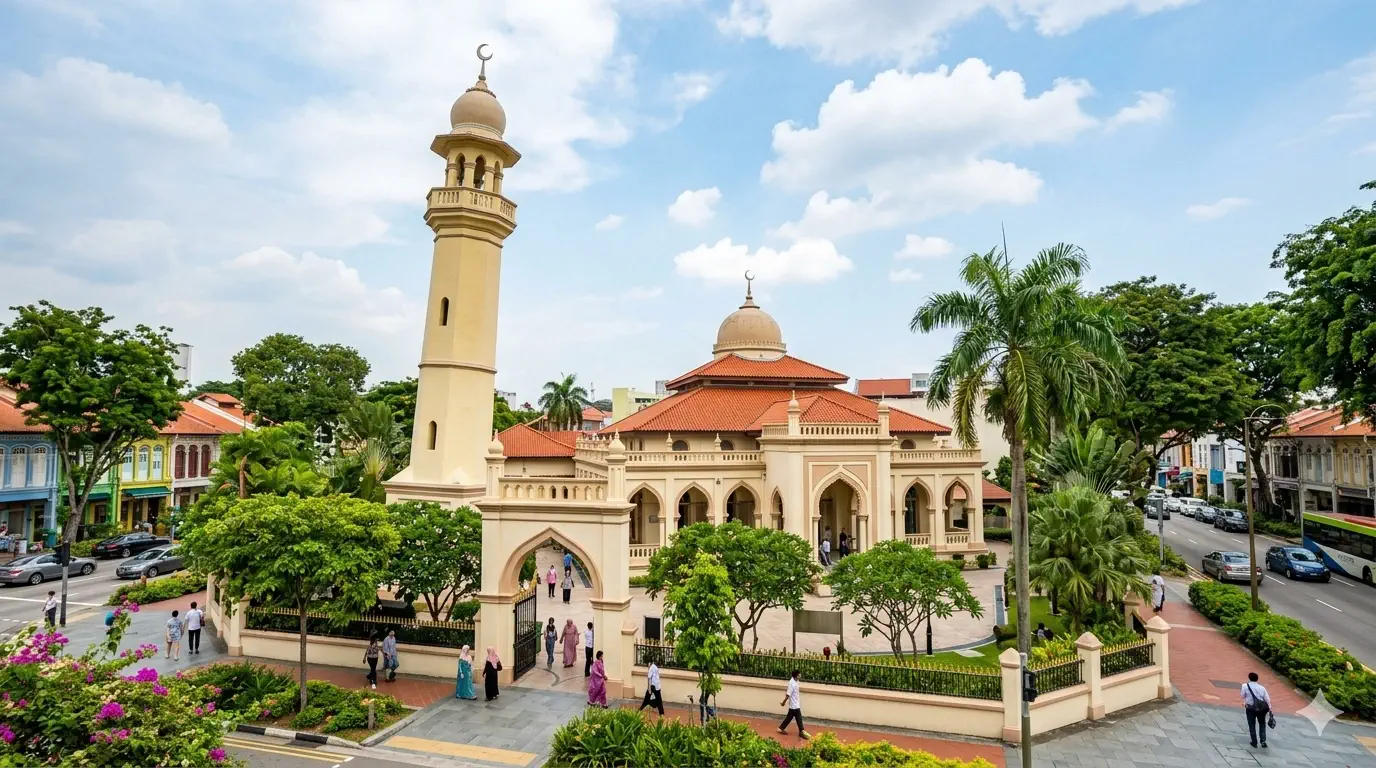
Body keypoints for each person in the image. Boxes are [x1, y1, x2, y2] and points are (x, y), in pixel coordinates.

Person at [1241, 672, 1271, 749]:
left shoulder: (1245, 686)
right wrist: (1270, 708)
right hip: (1261, 709)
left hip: (1250, 708)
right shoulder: (1262, 688)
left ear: (1249, 678)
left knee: (1251, 724)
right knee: (1262, 724)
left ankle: (1254, 741)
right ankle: (1263, 741)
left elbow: (1242, 696)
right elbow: (1267, 699)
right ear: (1257, 679)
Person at [777, 669, 809, 739]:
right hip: (794, 705)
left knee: (790, 718)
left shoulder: (796, 681)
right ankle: (801, 731)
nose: (800, 675)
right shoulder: (792, 683)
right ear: (796, 676)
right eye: (799, 675)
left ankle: (781, 728)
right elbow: (788, 694)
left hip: (795, 704)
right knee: (798, 717)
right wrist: (783, 702)